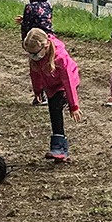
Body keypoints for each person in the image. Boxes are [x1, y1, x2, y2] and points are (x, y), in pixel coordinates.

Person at [23, 27, 81, 163]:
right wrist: (37, 91)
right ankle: (59, 146)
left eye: (35, 53)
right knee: (52, 110)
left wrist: (74, 106)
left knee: (56, 108)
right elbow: (35, 75)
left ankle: (60, 147)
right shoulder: (36, 59)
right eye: (30, 54)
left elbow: (68, 82)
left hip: (65, 84)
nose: (33, 57)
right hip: (51, 86)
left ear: (45, 45)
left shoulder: (61, 58)